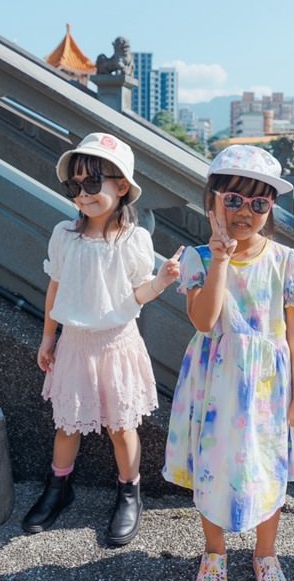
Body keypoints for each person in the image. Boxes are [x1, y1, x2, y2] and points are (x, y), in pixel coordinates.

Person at [163, 145, 294, 581]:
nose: (245, 212)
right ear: (211, 200)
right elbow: (203, 320)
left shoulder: (286, 261)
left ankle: (266, 556)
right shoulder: (196, 259)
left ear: (271, 208)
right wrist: (219, 259)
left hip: (270, 386)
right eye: (233, 199)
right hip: (214, 382)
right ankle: (214, 554)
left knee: (268, 462)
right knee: (212, 465)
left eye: (259, 203)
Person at [22, 132, 182, 546]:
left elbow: (136, 295)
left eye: (92, 183)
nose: (82, 194)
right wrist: (47, 338)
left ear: (121, 186)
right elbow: (55, 289)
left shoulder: (133, 241)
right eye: (75, 185)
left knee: (121, 426)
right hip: (74, 343)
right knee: (67, 425)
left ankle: (130, 493)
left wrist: (162, 281)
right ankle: (58, 488)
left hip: (116, 344)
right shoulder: (64, 235)